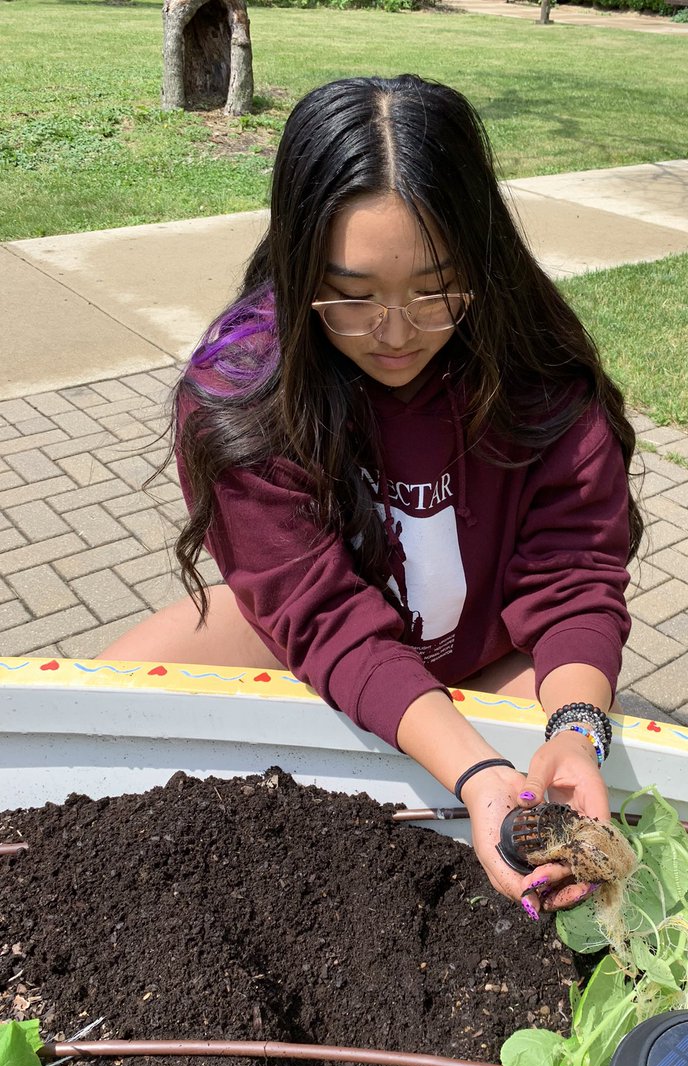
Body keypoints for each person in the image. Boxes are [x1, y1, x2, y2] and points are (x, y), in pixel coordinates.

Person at [101, 74, 643, 920]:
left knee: (563, 850)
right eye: (350, 297)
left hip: (489, 655)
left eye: (436, 290)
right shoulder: (241, 392)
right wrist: (472, 769)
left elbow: (573, 578)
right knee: (102, 722)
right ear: (296, 259)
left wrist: (577, 727)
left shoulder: (540, 376)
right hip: (297, 632)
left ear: (483, 258)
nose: (396, 334)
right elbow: (318, 617)